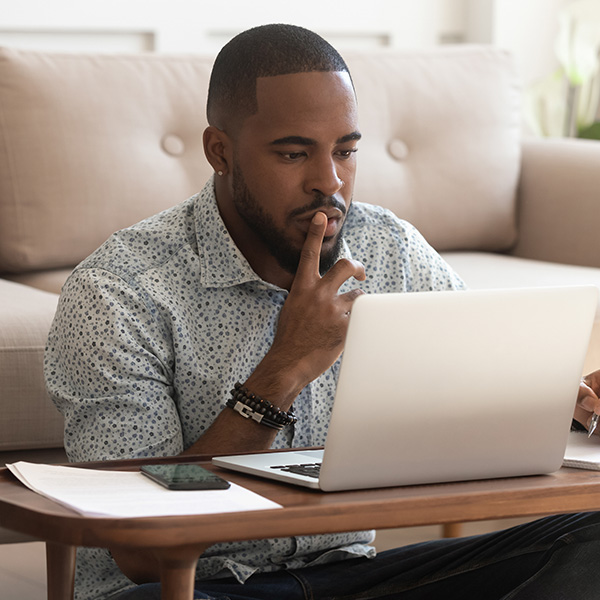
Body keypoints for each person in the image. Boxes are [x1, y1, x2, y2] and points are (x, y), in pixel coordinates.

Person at [45, 23, 600, 600]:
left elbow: (483, 386)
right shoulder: (118, 292)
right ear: (220, 152)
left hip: (354, 575)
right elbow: (141, 552)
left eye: (346, 150)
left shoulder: (390, 250)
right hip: (197, 587)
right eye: (293, 153)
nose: (329, 182)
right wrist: (284, 369)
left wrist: (556, 402)